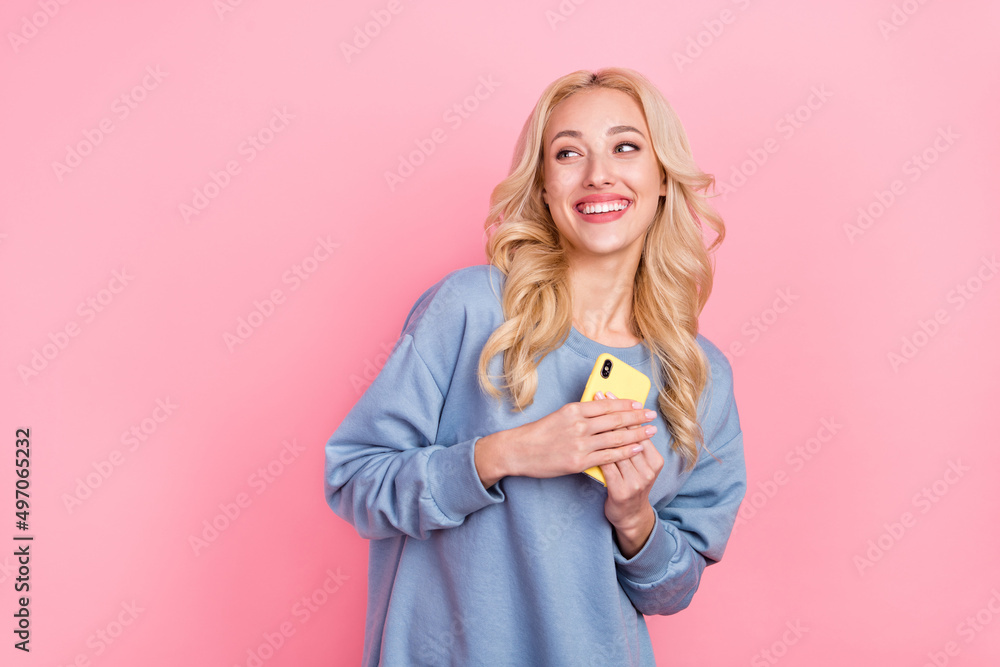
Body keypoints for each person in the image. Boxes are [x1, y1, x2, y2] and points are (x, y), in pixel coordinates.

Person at [324, 66, 746, 666]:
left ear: (660, 180)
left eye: (625, 147)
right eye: (568, 153)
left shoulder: (698, 375)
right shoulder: (471, 309)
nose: (598, 173)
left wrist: (635, 519)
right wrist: (507, 454)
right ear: (545, 186)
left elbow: (673, 590)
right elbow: (354, 481)